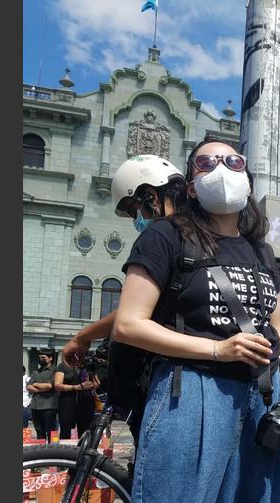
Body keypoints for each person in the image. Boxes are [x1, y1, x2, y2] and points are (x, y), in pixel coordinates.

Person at [110, 139, 280, 503]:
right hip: (191, 389)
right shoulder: (165, 236)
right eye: (207, 162)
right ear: (191, 180)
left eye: (232, 161)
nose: (221, 169)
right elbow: (130, 323)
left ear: (247, 174)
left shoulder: (261, 249)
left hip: (261, 398)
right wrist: (218, 348)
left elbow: (274, 326)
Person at [60, 155, 186, 442]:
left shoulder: (160, 236)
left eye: (134, 210)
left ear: (151, 197)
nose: (137, 220)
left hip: (166, 381)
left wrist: (82, 337)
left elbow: (131, 315)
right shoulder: (200, 236)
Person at [53, 360, 99, 439]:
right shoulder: (63, 366)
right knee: (66, 430)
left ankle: (84, 449)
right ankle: (66, 450)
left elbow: (97, 383)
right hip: (67, 401)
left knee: (86, 430)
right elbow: (57, 385)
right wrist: (76, 387)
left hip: (86, 401)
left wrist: (91, 385)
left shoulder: (88, 365)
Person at [27, 349, 58, 439]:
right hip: (35, 406)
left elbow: (49, 386)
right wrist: (42, 387)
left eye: (43, 357)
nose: (40, 359)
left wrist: (35, 384)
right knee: (39, 432)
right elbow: (28, 386)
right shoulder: (36, 371)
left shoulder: (55, 371)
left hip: (48, 406)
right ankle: (41, 452)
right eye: (39, 358)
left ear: (50, 358)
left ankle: (52, 451)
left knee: (51, 432)